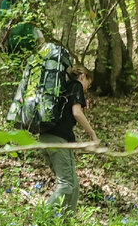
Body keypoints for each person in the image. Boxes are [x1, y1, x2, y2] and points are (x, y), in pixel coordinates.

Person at [39, 66, 98, 214]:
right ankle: (42, 219)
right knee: (66, 185)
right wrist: (92, 134)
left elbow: (69, 112)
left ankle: (66, 223)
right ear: (83, 76)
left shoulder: (63, 88)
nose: (86, 89)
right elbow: (76, 113)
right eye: (88, 85)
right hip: (58, 139)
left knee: (74, 185)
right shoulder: (76, 85)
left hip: (49, 137)